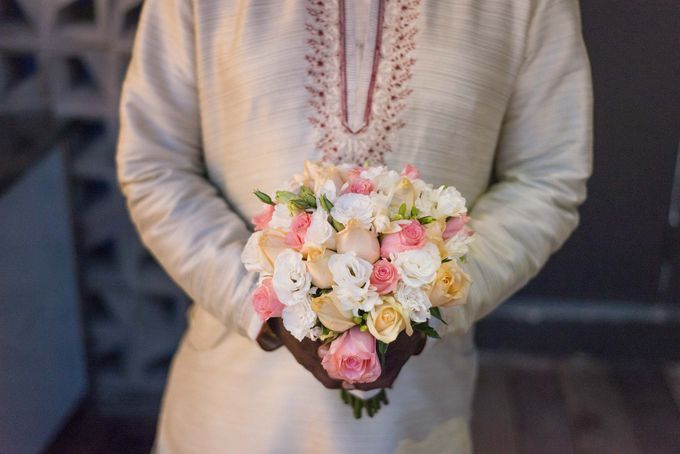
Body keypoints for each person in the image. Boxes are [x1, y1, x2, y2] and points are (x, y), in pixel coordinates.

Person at [116, 0, 592, 452]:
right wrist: (265, 305)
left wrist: (431, 304)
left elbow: (547, 176)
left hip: (419, 411)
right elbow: (155, 164)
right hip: (231, 408)